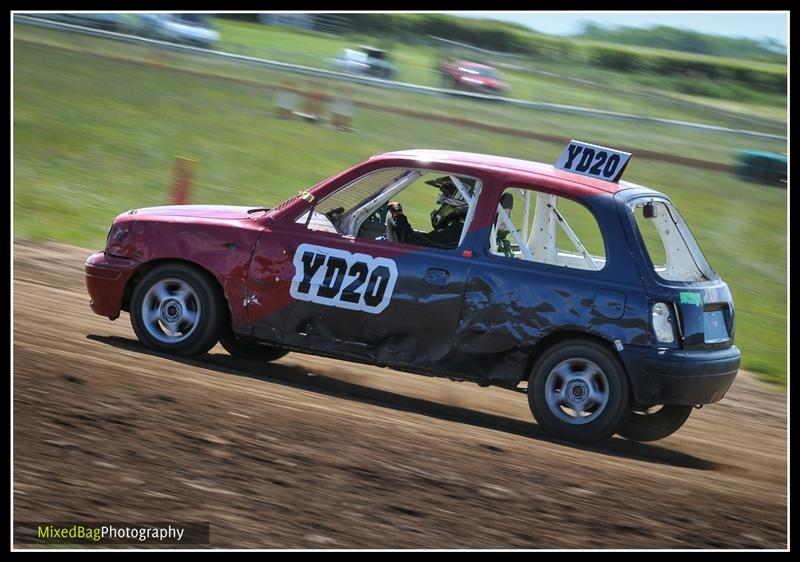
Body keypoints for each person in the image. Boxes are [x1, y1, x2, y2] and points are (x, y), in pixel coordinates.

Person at [385, 176, 472, 249]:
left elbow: (408, 243)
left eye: (446, 196)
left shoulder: (459, 233)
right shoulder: (465, 231)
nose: (441, 200)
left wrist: (397, 214)